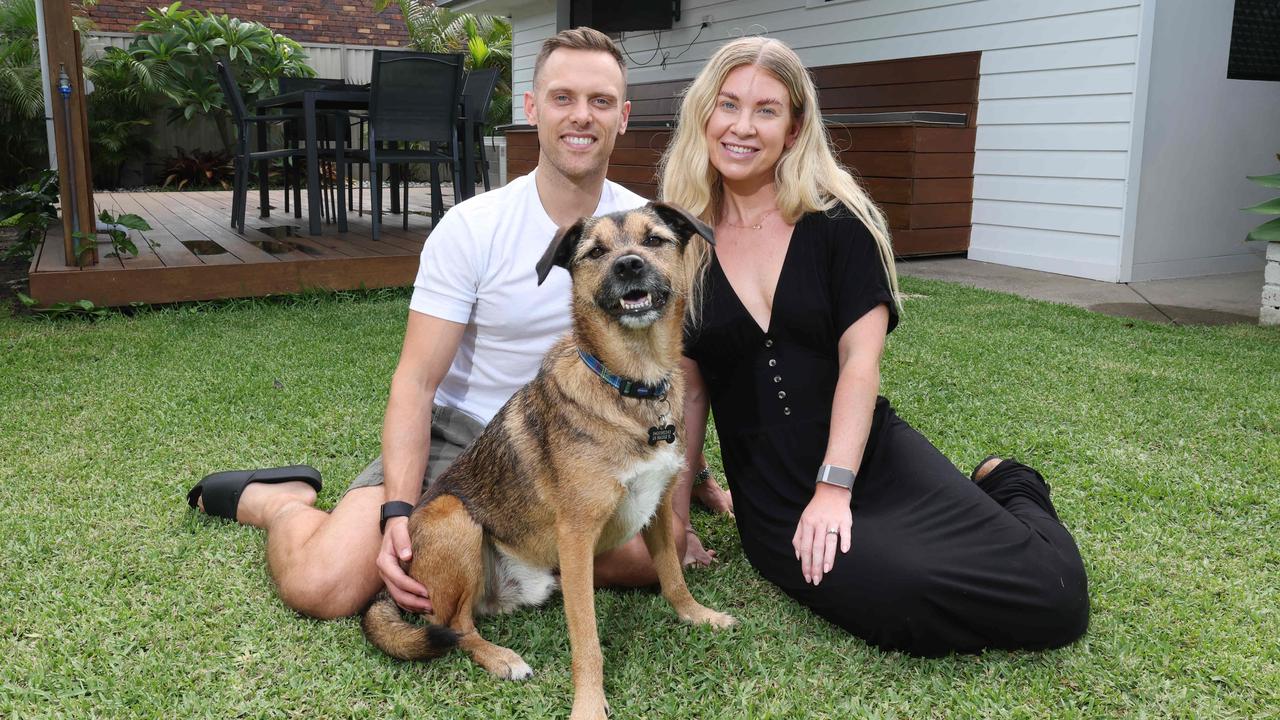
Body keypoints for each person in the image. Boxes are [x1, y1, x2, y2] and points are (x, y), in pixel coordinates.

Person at [188, 27, 729, 619]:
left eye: (600, 101)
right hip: (468, 441)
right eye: (562, 98)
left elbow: (668, 366)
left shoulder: (646, 232)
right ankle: (282, 502)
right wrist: (398, 511)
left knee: (662, 555)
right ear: (531, 109)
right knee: (324, 587)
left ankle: (514, 547)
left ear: (622, 116)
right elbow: (416, 382)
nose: (582, 116)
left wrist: (691, 477)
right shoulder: (474, 226)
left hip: (591, 446)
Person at [659, 37, 1089, 657]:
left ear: (795, 126)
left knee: (1054, 595)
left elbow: (861, 364)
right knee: (898, 602)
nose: (742, 127)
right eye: (728, 105)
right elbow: (691, 393)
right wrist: (676, 519)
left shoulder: (840, 223)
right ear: (705, 113)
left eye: (766, 110)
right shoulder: (678, 242)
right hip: (776, 495)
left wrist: (834, 489)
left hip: (870, 457)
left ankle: (1011, 482)